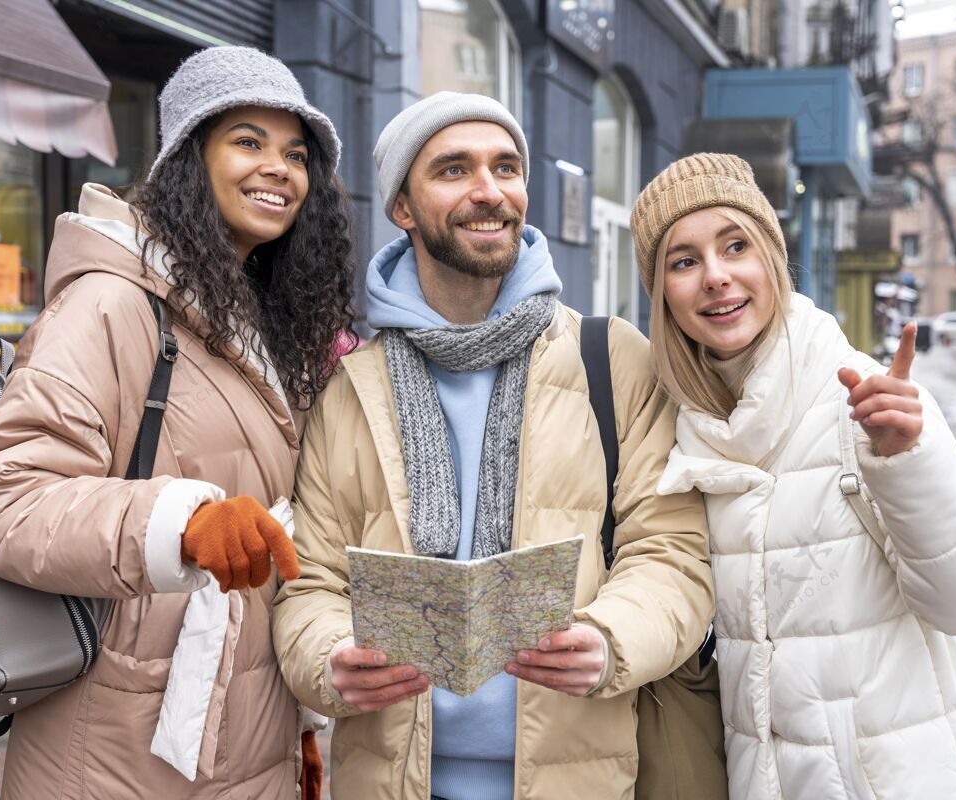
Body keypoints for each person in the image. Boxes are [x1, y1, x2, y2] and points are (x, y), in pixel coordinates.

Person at [271, 92, 718, 799]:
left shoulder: (612, 360)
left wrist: (610, 640)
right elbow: (311, 582)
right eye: (454, 170)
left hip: (577, 777)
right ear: (403, 209)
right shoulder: (349, 389)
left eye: (506, 168)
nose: (489, 191)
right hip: (393, 781)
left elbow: (672, 553)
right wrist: (331, 659)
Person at [0, 47, 355, 799]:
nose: (279, 168)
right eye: (248, 141)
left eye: (296, 154)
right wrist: (182, 522)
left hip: (247, 728)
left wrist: (296, 726)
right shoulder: (112, 301)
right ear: (187, 156)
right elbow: (7, 502)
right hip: (116, 741)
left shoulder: (259, 313)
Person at [632, 153, 956, 799]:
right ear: (662, 294)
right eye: (684, 261)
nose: (716, 276)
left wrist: (908, 461)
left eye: (737, 246)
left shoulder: (867, 401)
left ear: (773, 259)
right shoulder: (683, 435)